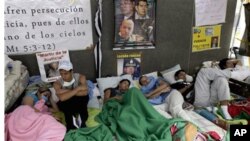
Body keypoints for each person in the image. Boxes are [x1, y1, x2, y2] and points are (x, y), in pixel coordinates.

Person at [53, 60, 89, 131]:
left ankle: (81, 123)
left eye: (66, 73)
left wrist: (65, 92)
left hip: (79, 100)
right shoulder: (57, 83)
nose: (63, 76)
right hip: (67, 102)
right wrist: (77, 89)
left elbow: (85, 92)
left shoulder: (80, 77)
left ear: (72, 72)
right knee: (65, 104)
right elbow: (62, 98)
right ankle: (72, 125)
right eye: (61, 74)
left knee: (82, 100)